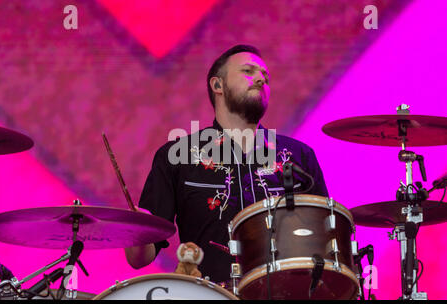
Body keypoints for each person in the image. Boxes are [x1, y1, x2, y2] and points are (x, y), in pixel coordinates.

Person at [125, 45, 328, 284]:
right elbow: (139, 259)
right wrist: (135, 231)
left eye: (266, 76)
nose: (261, 78)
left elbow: (326, 238)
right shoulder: (176, 155)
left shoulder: (297, 156)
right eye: (248, 71)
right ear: (217, 85)